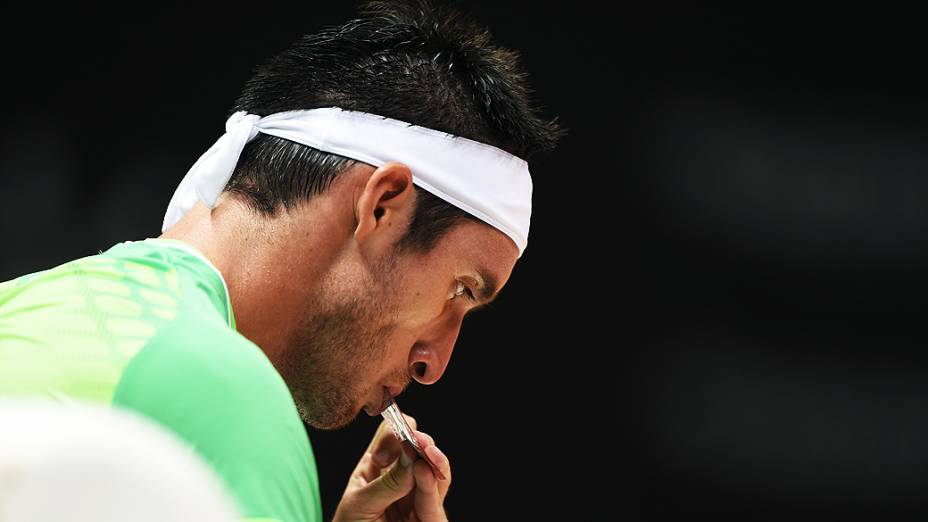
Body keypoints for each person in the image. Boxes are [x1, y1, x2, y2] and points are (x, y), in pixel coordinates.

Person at [0, 1, 561, 520]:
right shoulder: (225, 406)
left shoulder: (27, 303)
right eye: (461, 289)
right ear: (383, 205)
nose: (433, 364)